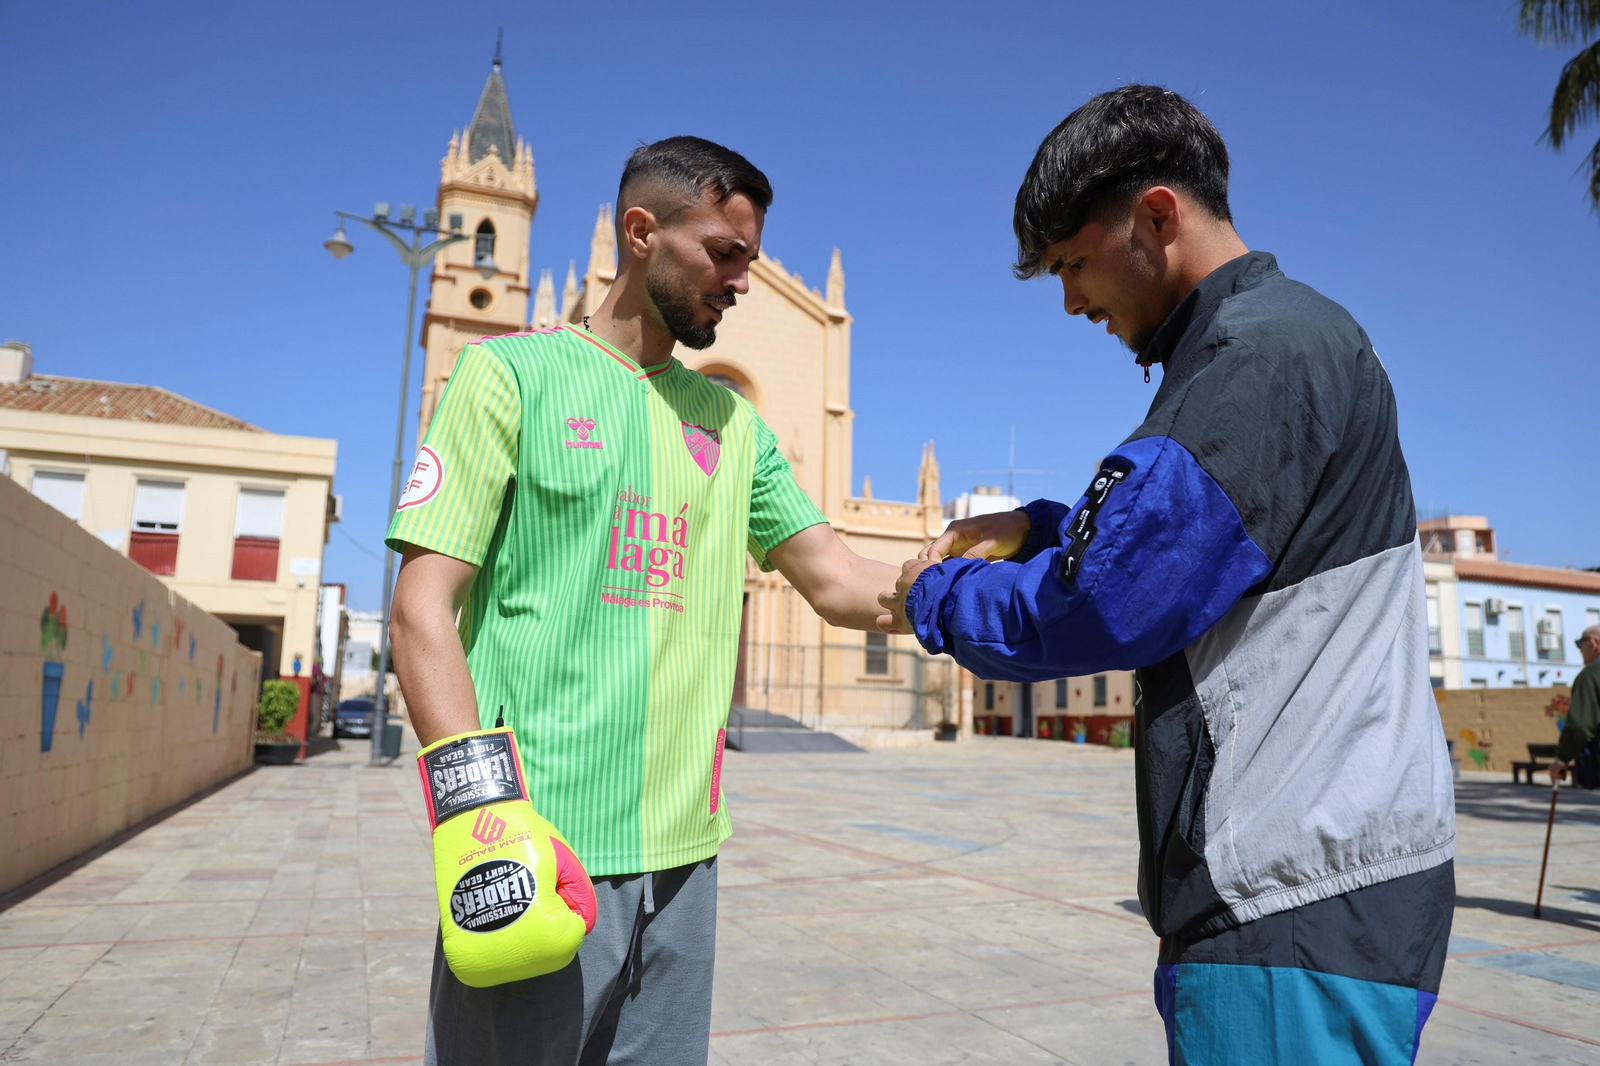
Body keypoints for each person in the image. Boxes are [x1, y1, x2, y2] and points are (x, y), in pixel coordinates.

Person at [877, 86, 1456, 1064]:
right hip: (1319, 897)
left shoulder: (1253, 357)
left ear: (1155, 217)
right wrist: (1035, 525)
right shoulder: (1284, 338)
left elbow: (1109, 599)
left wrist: (928, 599)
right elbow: (1195, 562)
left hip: (1289, 902)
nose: (1068, 301)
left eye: (1071, 265)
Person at [386, 135, 899, 1066]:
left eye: (750, 259)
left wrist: (982, 578)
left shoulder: (731, 424)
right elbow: (420, 605)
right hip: (540, 846)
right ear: (640, 232)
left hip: (685, 860)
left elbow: (835, 578)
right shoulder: (509, 375)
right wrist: (482, 823)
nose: (741, 282)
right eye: (723, 253)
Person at [1549, 623, 1600, 784]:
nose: (1579, 649)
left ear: (1593, 643)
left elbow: (1580, 726)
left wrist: (1561, 760)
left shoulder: (1591, 675)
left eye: (1580, 644)